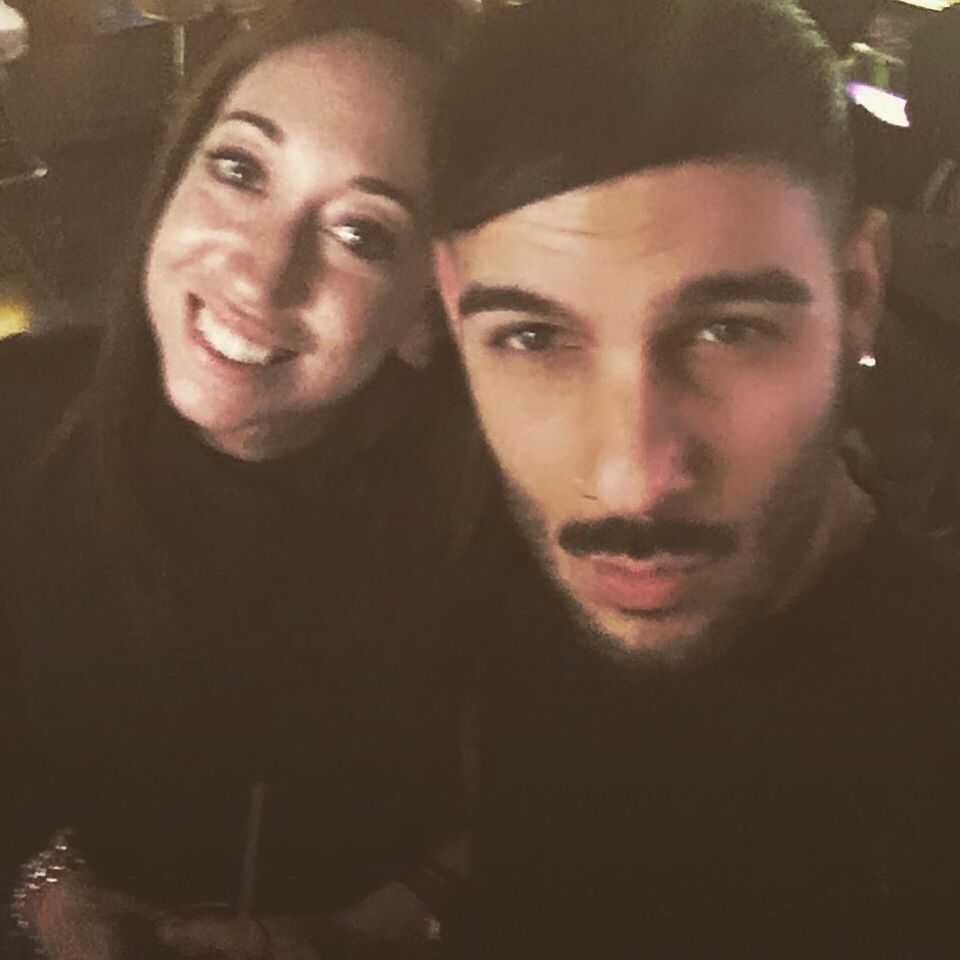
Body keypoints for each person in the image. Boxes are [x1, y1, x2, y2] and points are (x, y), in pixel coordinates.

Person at [432, 0, 960, 954]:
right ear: (448, 304)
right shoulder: (464, 617)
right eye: (535, 338)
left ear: (861, 295)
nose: (633, 480)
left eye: (728, 331)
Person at [0, 0, 486, 956]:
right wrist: (46, 897)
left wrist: (380, 926)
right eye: (239, 170)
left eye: (363, 233)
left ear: (428, 312)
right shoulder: (16, 422)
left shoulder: (505, 514)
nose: (262, 277)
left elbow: (535, 807)